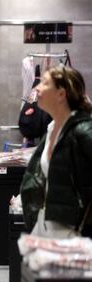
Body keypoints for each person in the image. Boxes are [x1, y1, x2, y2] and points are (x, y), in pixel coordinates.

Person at [20, 65, 92, 238]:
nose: (37, 87)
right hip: (47, 227)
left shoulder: (83, 130)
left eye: (45, 83)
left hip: (74, 233)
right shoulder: (53, 129)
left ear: (61, 94)